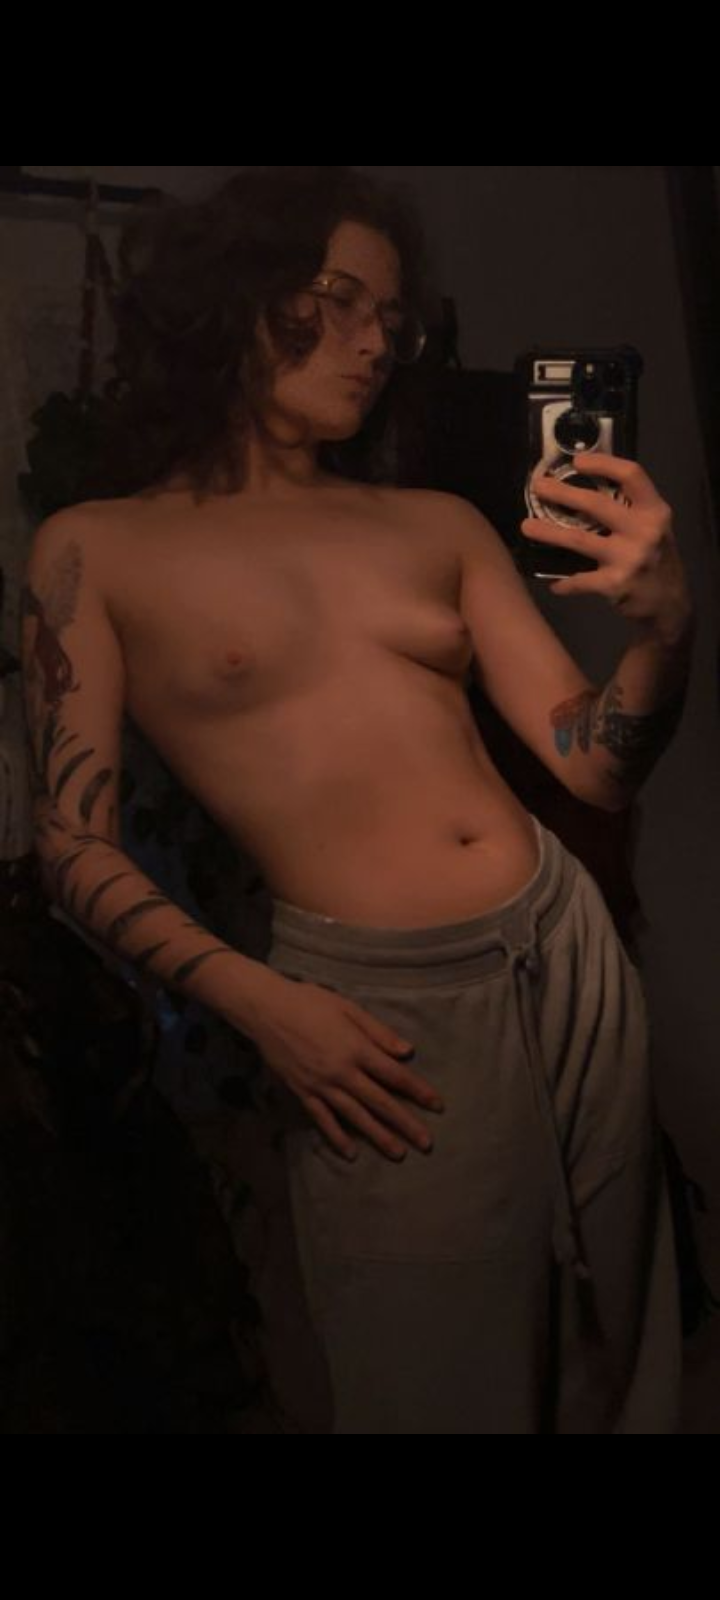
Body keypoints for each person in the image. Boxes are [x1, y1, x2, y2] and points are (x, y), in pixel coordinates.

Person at [20, 166, 690, 1433]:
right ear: (239, 295)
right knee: (433, 1380)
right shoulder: (94, 548)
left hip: (564, 949)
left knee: (619, 1363)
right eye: (340, 299)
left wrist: (664, 634)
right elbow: (68, 843)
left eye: (395, 317)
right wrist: (261, 1001)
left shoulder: (437, 523)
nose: (377, 341)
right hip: (379, 1008)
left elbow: (592, 761)